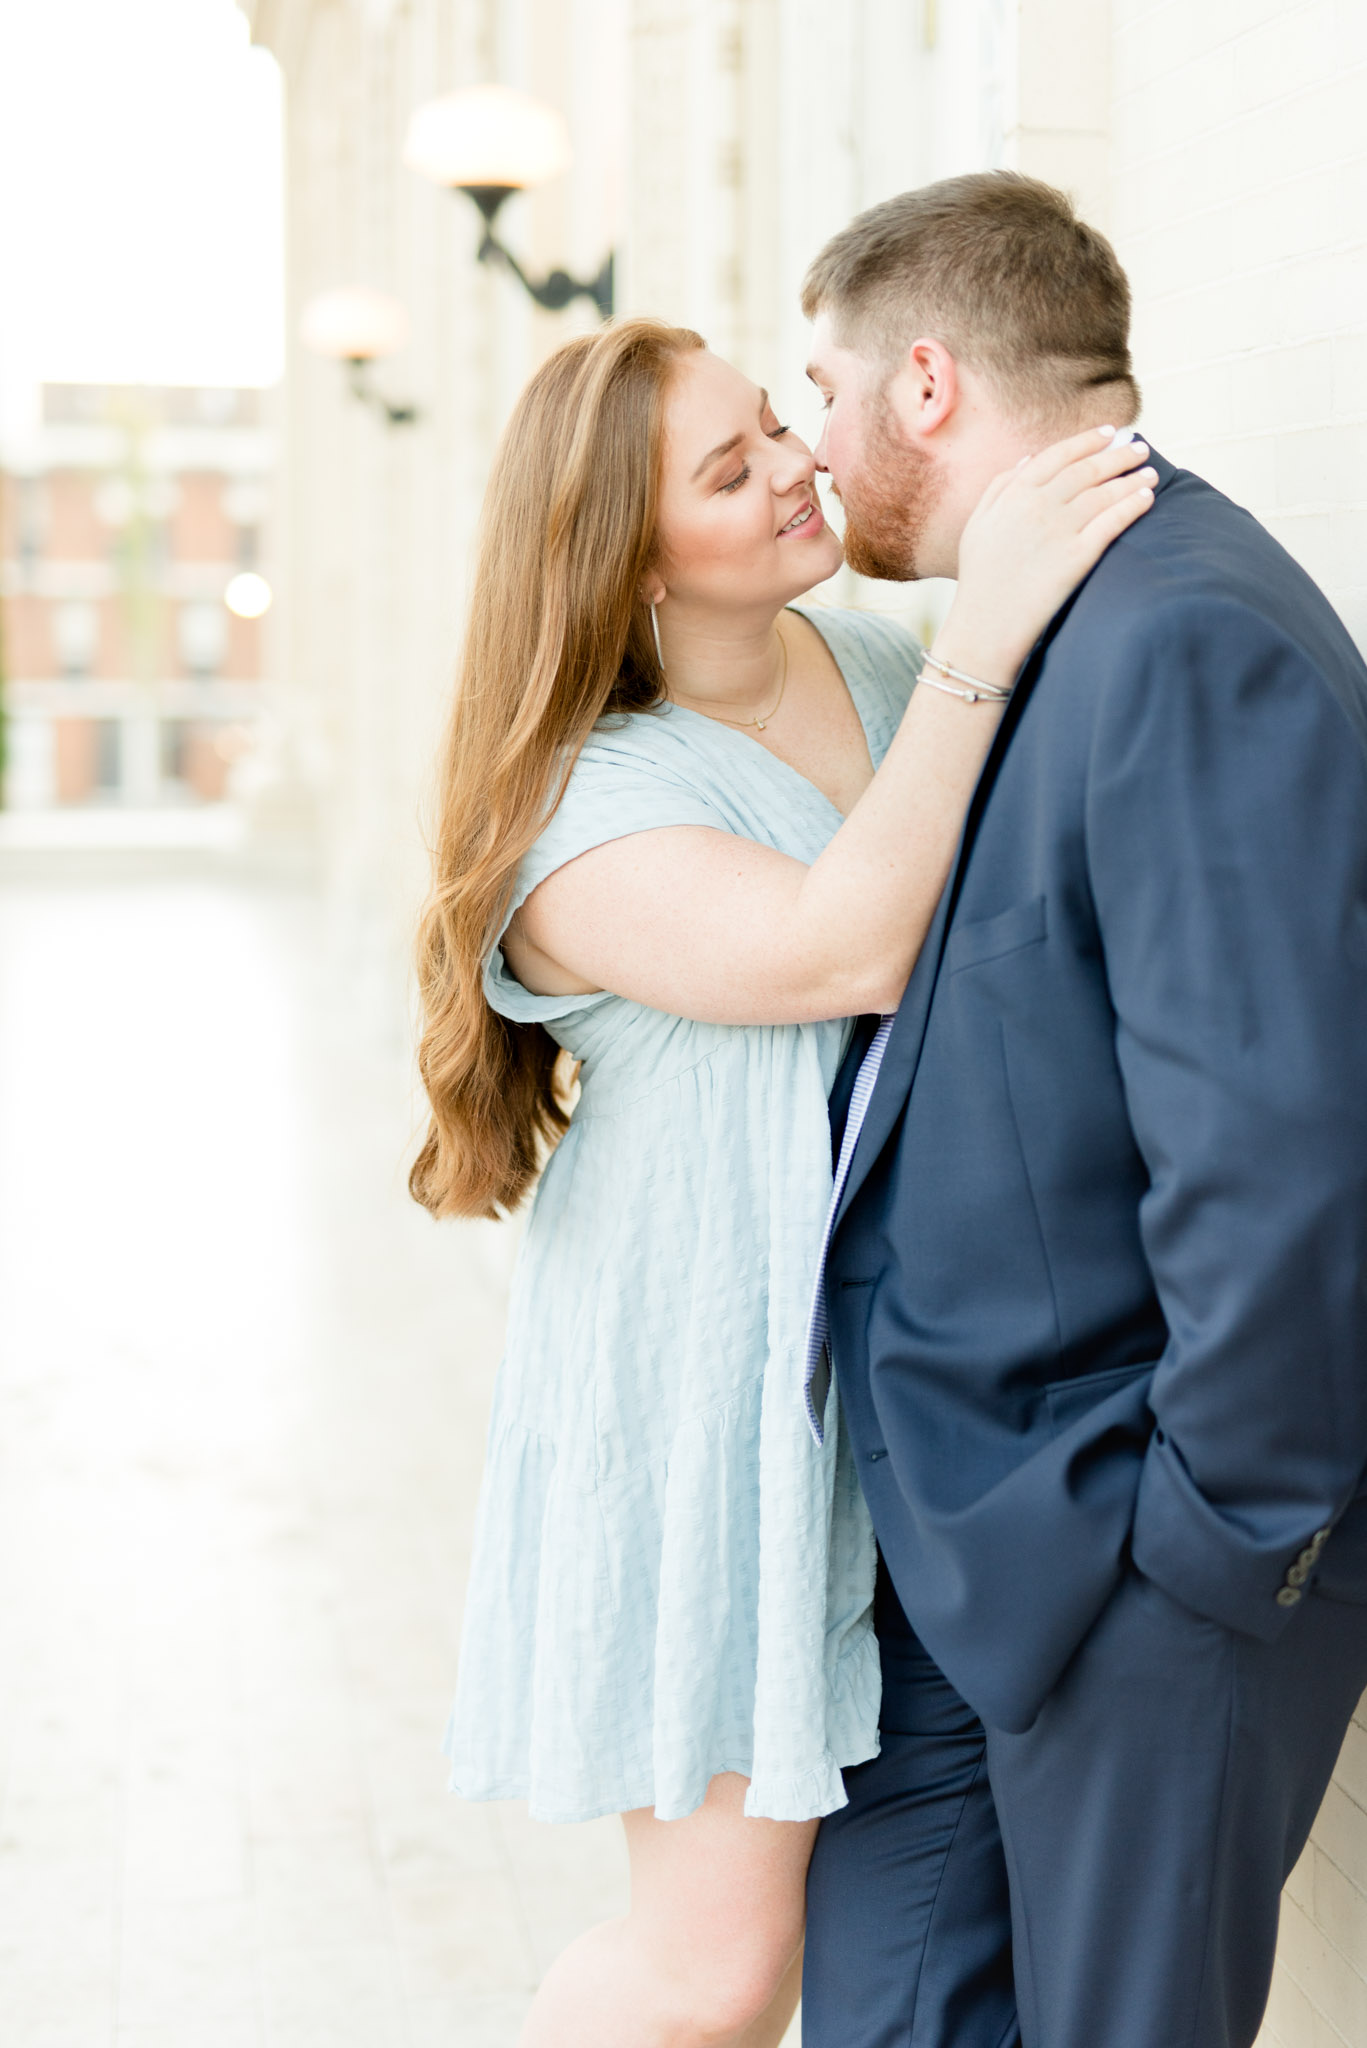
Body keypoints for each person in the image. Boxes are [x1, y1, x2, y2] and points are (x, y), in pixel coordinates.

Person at [409, 314, 1154, 2048]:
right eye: (727, 473)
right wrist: (990, 624)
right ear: (626, 560)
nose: (799, 471)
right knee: (716, 1967)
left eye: (775, 429)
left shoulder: (879, 668)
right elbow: (845, 948)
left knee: (854, 1939)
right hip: (703, 1398)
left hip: (897, 1365)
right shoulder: (574, 816)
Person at [799, 170, 1367, 2048]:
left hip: (1142, 1560)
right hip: (982, 1549)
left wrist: (1211, 1554)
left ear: (930, 382)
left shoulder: (1184, 630)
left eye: (824, 385)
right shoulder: (1045, 620)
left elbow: (1279, 1148)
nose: (812, 437)